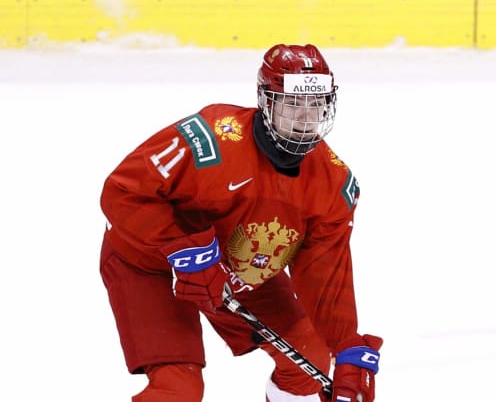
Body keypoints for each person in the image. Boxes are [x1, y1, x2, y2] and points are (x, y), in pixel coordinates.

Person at [99, 43, 382, 402]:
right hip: (148, 265)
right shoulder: (211, 139)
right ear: (267, 101)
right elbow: (123, 191)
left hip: (241, 268)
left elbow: (326, 276)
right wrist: (187, 253)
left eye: (316, 104)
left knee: (310, 357)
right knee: (178, 390)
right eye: (293, 104)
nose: (305, 118)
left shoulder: (333, 184)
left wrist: (347, 347)